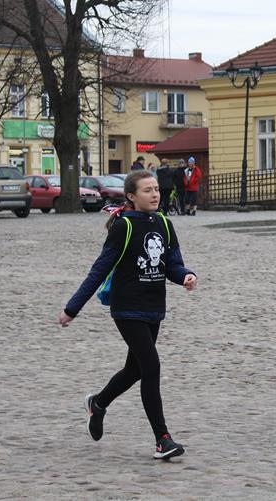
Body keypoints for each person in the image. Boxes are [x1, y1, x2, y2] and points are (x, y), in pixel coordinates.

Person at [57, 170, 198, 460]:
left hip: (154, 308)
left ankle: (98, 403)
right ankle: (162, 440)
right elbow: (99, 270)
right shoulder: (124, 226)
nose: (155, 194)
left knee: (135, 370)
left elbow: (172, 264)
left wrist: (185, 275)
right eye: (147, 190)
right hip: (127, 309)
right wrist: (72, 308)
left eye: (156, 189)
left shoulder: (165, 224)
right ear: (131, 196)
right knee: (151, 367)